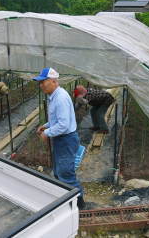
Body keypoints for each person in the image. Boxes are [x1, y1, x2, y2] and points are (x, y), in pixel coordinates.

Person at [34, 67, 85, 209]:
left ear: (53, 81)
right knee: (58, 172)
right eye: (40, 82)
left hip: (66, 140)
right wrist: (46, 126)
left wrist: (47, 133)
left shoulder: (60, 98)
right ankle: (66, 201)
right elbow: (57, 120)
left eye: (43, 82)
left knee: (66, 175)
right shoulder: (54, 96)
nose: (41, 85)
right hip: (62, 140)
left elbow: (63, 125)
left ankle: (80, 206)